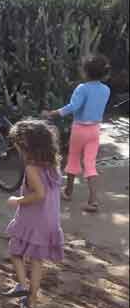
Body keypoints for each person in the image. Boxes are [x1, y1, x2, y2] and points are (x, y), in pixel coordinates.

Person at [2, 119, 65, 308]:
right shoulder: (53, 165)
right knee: (37, 260)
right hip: (50, 219)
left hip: (33, 219)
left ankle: (21, 285)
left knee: (15, 251)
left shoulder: (31, 169)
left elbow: (39, 194)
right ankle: (32, 301)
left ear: (26, 147)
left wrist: (17, 200)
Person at [43, 55, 111, 213]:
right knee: (90, 163)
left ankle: (68, 191)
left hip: (80, 129)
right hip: (95, 130)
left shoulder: (82, 88)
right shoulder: (106, 90)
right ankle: (93, 200)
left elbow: (73, 107)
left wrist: (53, 113)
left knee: (73, 159)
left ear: (85, 72)